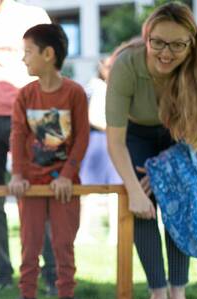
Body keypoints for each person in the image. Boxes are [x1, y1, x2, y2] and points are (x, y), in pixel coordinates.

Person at [105, 2, 197, 299]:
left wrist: (166, 171)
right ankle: (158, 293)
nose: (167, 53)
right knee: (141, 201)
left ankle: (178, 293)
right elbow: (114, 140)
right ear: (147, 36)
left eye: (178, 44)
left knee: (180, 192)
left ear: (191, 44)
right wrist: (135, 188)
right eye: (159, 43)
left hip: (177, 136)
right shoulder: (126, 65)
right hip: (135, 136)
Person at [0, 0, 57, 296]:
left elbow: (51, 66)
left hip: (34, 113)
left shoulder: (35, 16)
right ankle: (2, 271)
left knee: (41, 195)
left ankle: (52, 273)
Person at [8, 24, 89, 299]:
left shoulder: (74, 93)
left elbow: (81, 138)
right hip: (30, 183)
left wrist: (67, 175)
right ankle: (27, 295)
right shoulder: (25, 95)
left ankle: (67, 294)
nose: (24, 58)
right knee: (30, 242)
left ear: (48, 54)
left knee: (64, 241)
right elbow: (18, 135)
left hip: (64, 183)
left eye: (28, 52)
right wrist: (17, 175)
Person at [78, 44, 128, 245]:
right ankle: (91, 233)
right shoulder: (100, 88)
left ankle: (110, 233)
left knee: (99, 190)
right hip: (101, 142)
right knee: (94, 190)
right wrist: (114, 129)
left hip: (100, 141)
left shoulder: (94, 87)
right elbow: (93, 117)